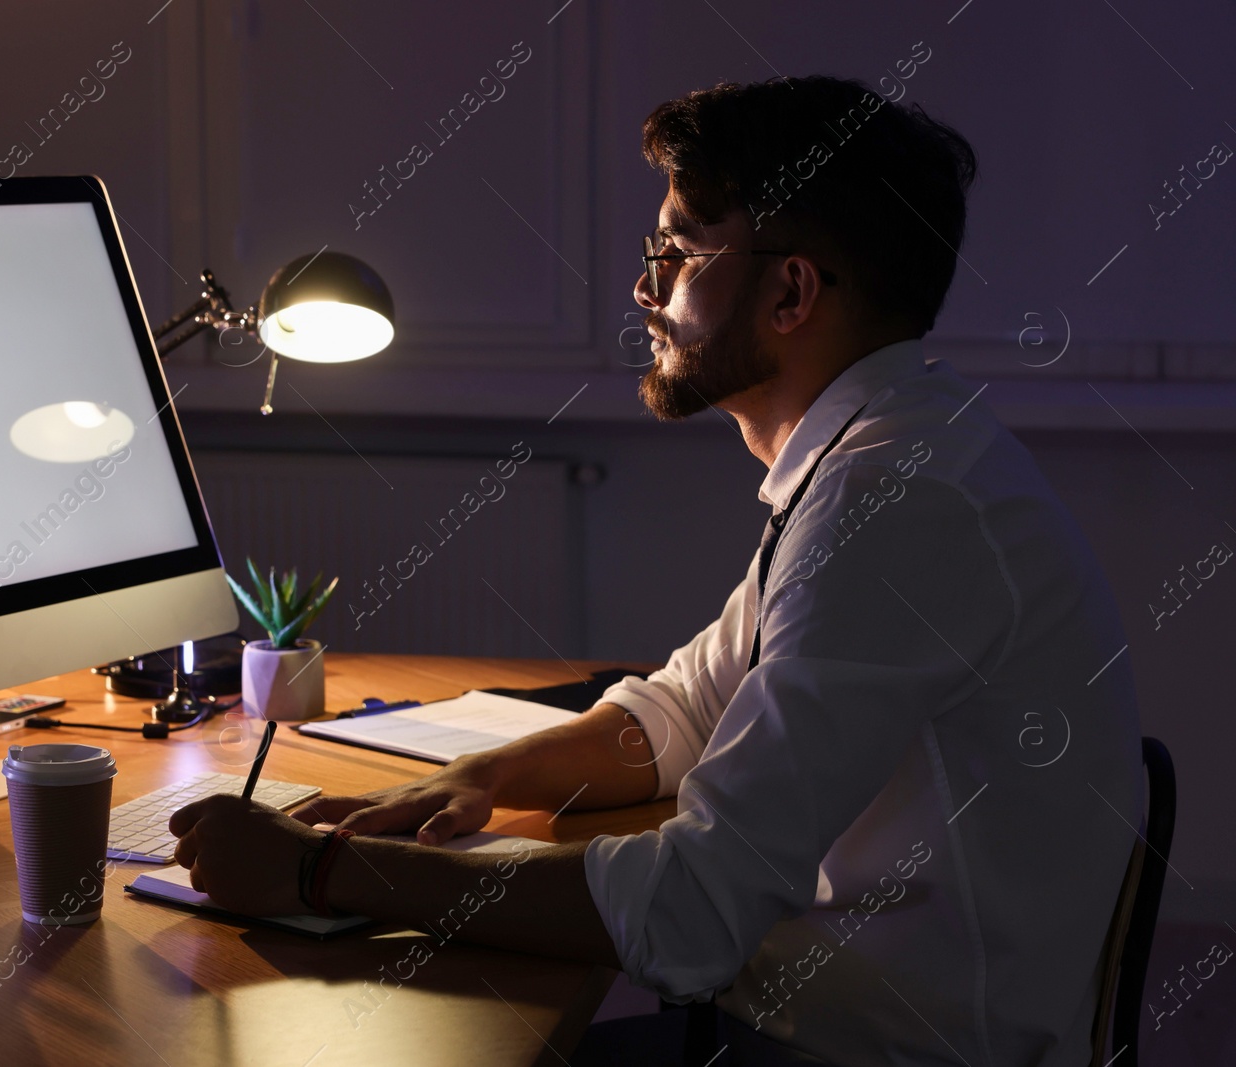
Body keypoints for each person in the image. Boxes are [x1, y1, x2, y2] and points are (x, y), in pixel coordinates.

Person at [169, 75, 1141, 1065]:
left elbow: (690, 913)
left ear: (790, 290)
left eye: (673, 254)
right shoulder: (887, 454)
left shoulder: (895, 500)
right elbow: (687, 706)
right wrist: (482, 773)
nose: (644, 290)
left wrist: (317, 869)